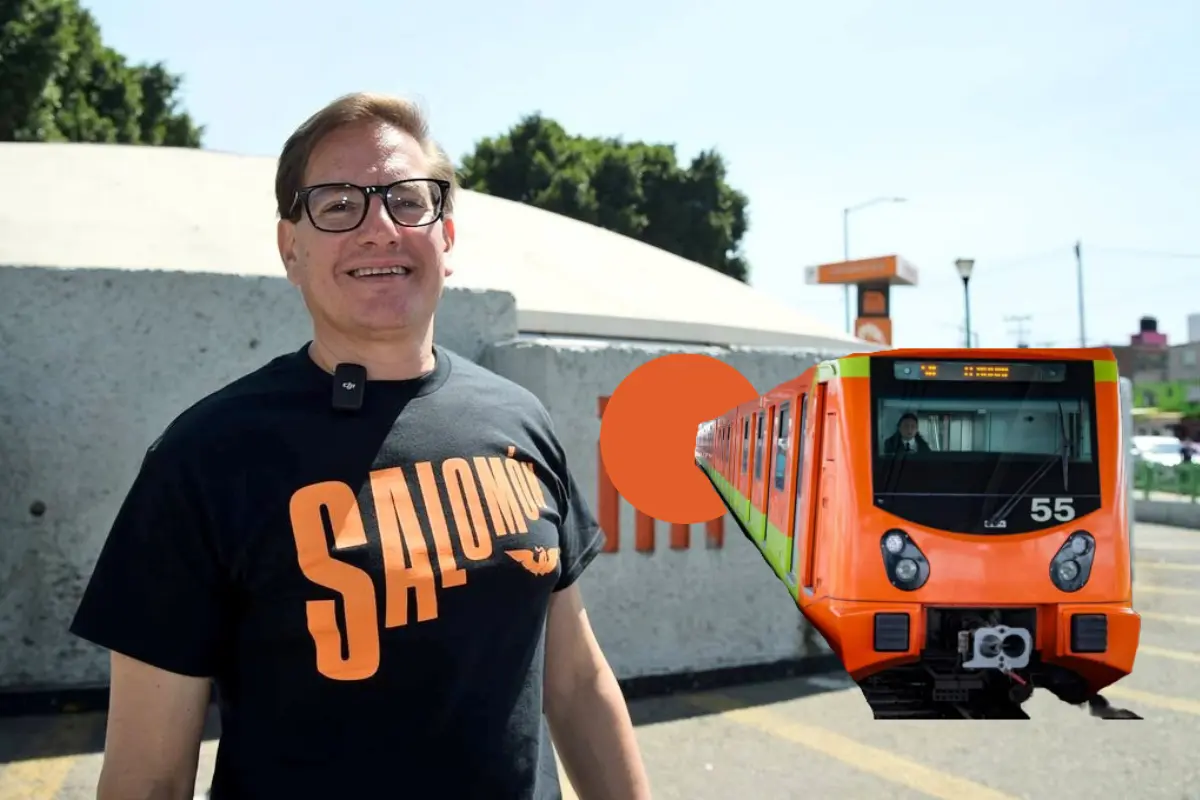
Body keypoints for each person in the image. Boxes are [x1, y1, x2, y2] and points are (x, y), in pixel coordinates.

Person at [69, 91, 652, 800]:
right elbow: (148, 774)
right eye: (339, 204)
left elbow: (577, 682)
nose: (380, 227)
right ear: (292, 248)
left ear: (447, 237)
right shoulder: (206, 457)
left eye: (408, 200)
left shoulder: (519, 420)